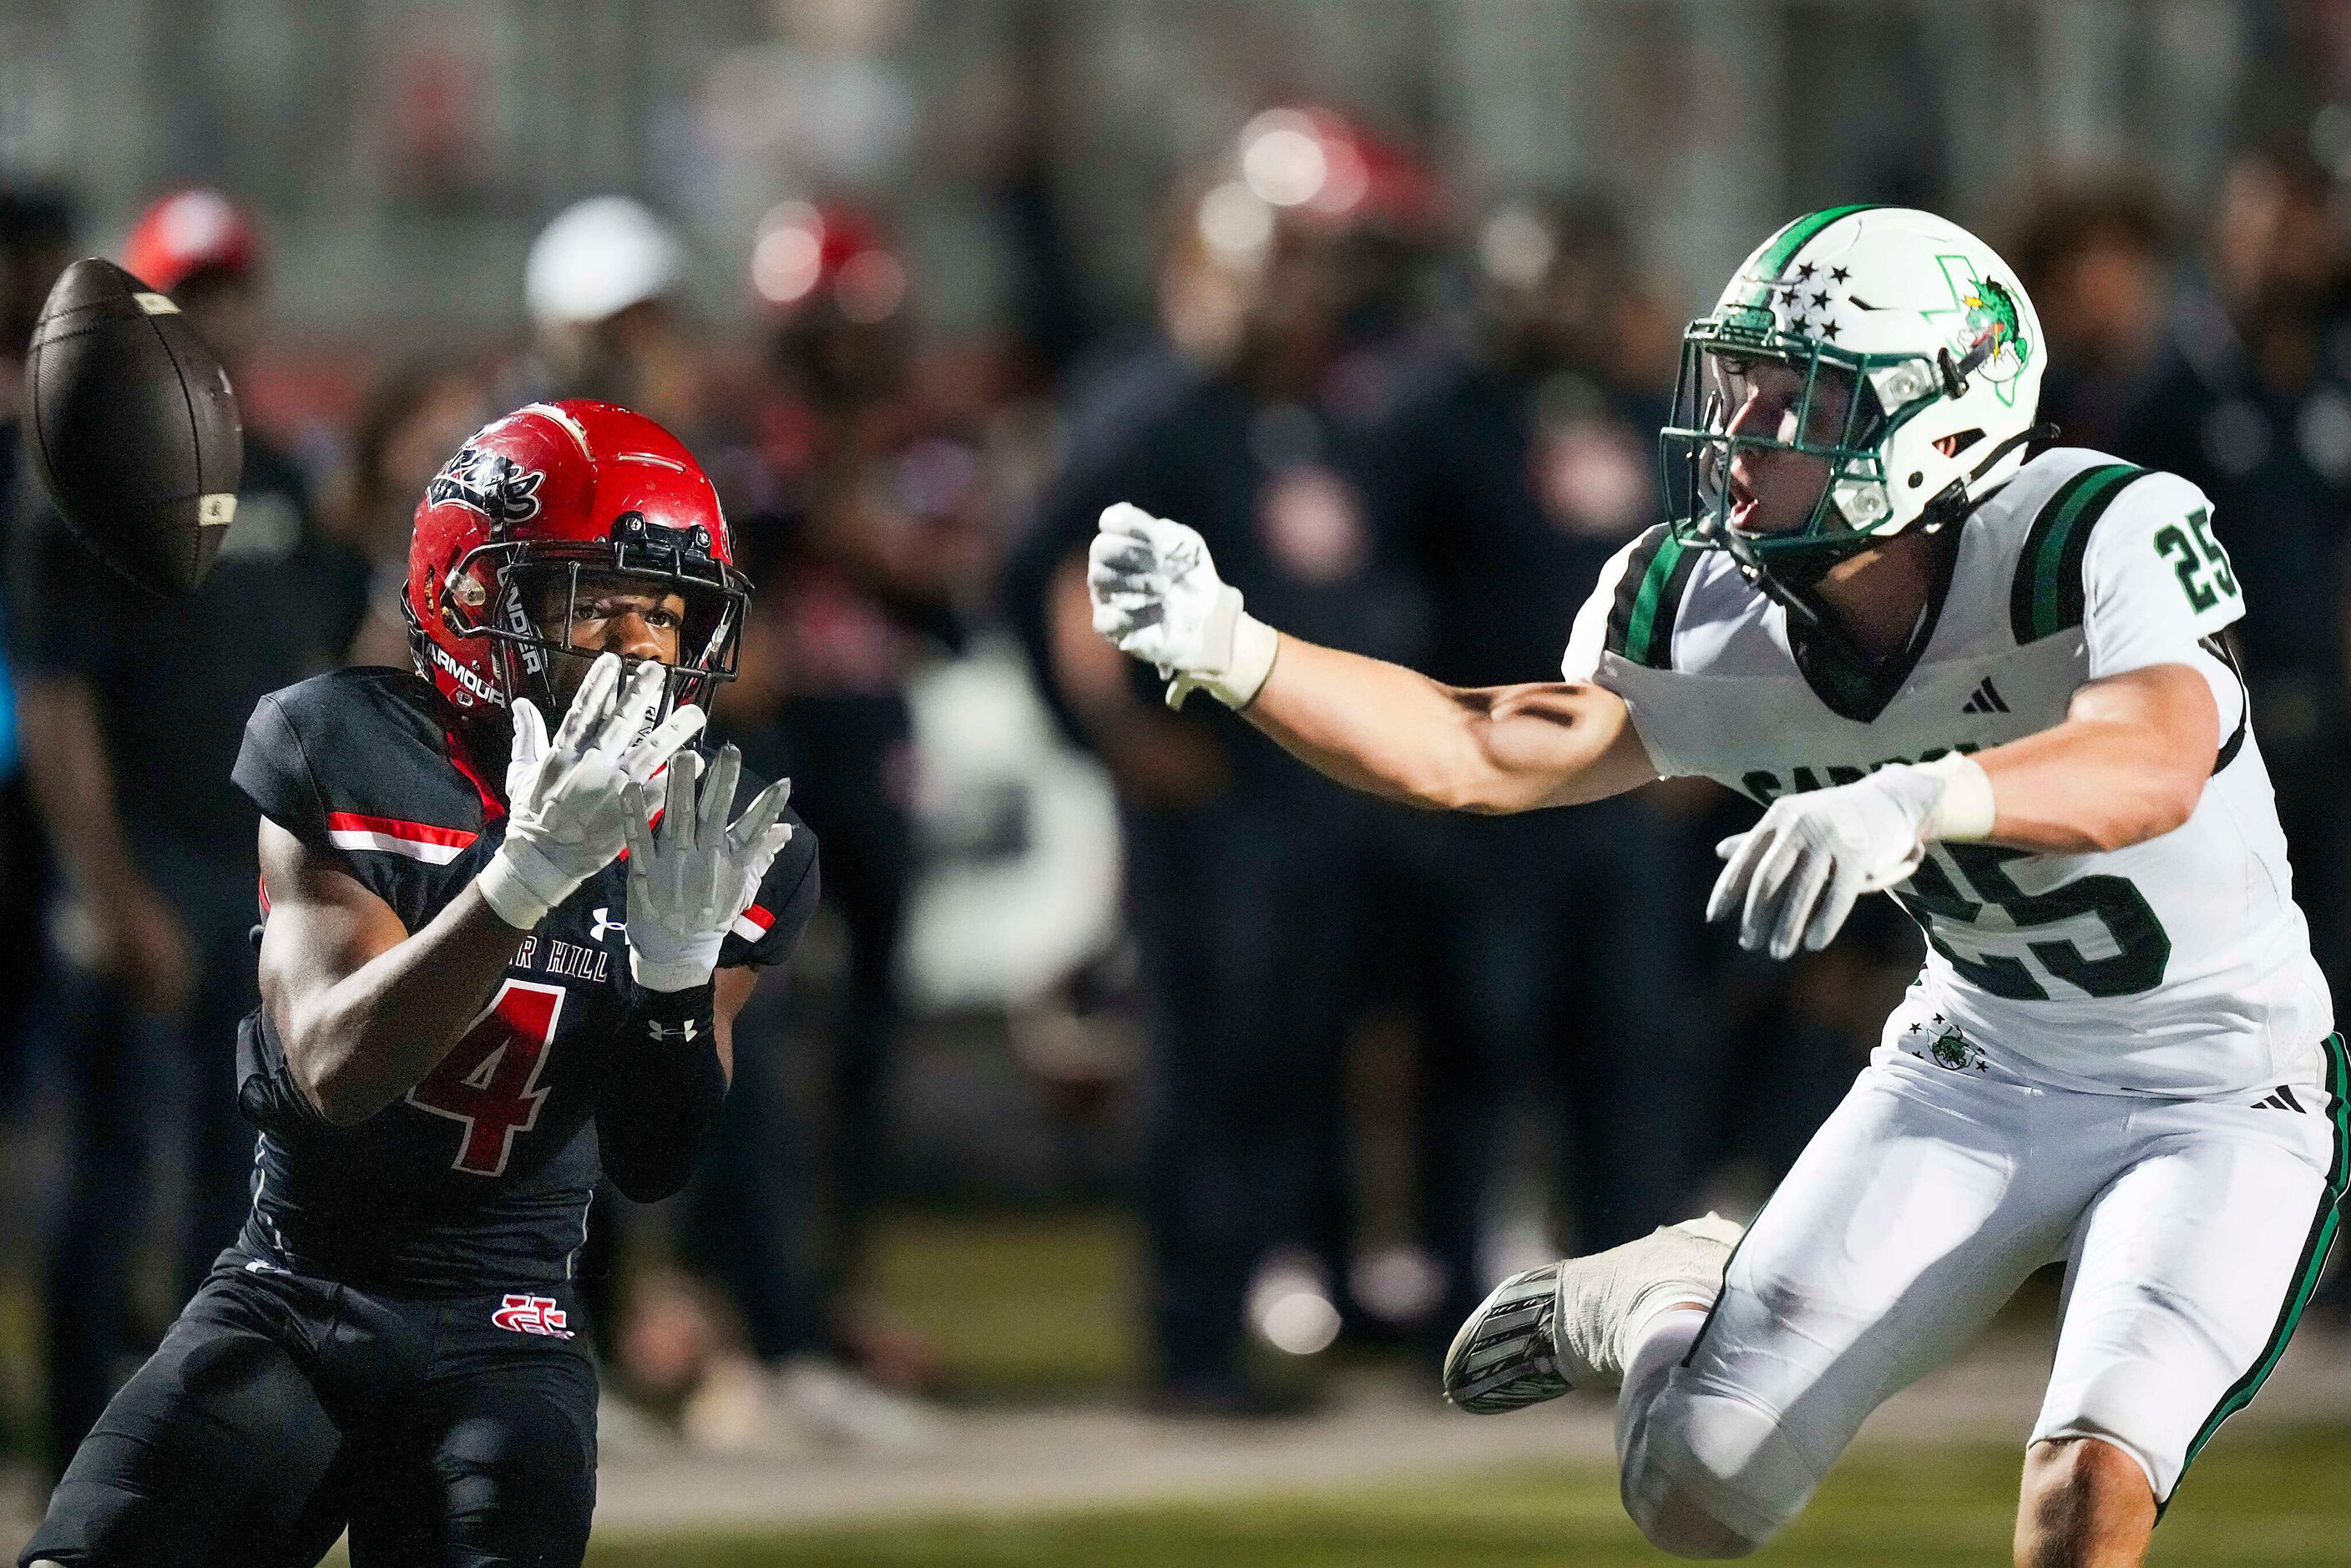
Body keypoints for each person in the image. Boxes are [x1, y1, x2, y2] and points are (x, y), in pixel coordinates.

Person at [1090, 205, 2337, 1563]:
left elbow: (2155, 754)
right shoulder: (1706, 605)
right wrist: (1237, 646)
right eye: (1742, 383)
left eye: (1800, 396)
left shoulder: (2088, 531)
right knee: (1697, 1489)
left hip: (2222, 1082)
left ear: (1942, 419)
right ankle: (1664, 1294)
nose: (1744, 427)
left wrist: (1922, 795)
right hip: (1978, 1059)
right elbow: (1479, 748)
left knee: (2088, 1489)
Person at [22, 400, 817, 1566]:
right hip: (295, 1293)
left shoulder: (712, 839)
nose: (645, 647)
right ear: (473, 597)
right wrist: (524, 881)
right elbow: (339, 1069)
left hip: (509, 1327)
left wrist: (678, 986)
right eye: (599, 601)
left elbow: (653, 1160)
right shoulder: (343, 742)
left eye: (668, 610)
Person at [1014, 107, 1439, 1411]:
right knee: (1205, 1067)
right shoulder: (1149, 407)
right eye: (1274, 269)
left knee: (1290, 1063)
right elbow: (1052, 581)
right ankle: (1191, 1335)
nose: (1297, 297)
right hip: (1212, 803)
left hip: (1312, 799)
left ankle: (1258, 1306)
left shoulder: (1318, 413)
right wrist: (1127, 740)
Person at [9, 187, 369, 1469]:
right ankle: (75, 1437)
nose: (216, 316)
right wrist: (106, 888)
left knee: (250, 1178)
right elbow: (57, 701)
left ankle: (211, 1439)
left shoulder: (273, 471)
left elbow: (327, 667)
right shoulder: (86, 484)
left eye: (229, 288)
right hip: (151, 863)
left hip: (262, 876)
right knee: (112, 1167)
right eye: (188, 293)